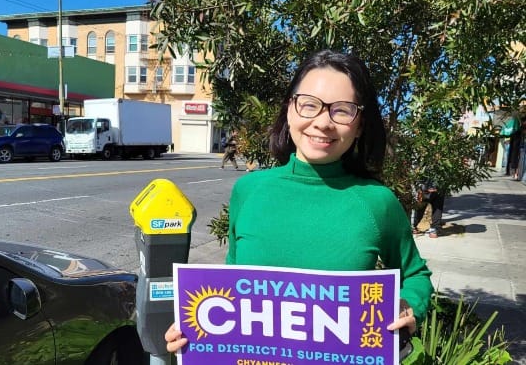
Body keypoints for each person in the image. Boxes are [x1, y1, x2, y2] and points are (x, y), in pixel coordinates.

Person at [166, 49, 433, 352]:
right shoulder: (249, 190)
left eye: (342, 110)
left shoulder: (376, 202)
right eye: (309, 105)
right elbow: (232, 286)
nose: (323, 122)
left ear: (359, 125)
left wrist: (409, 306)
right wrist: (194, 330)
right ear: (290, 110)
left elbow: (415, 275)